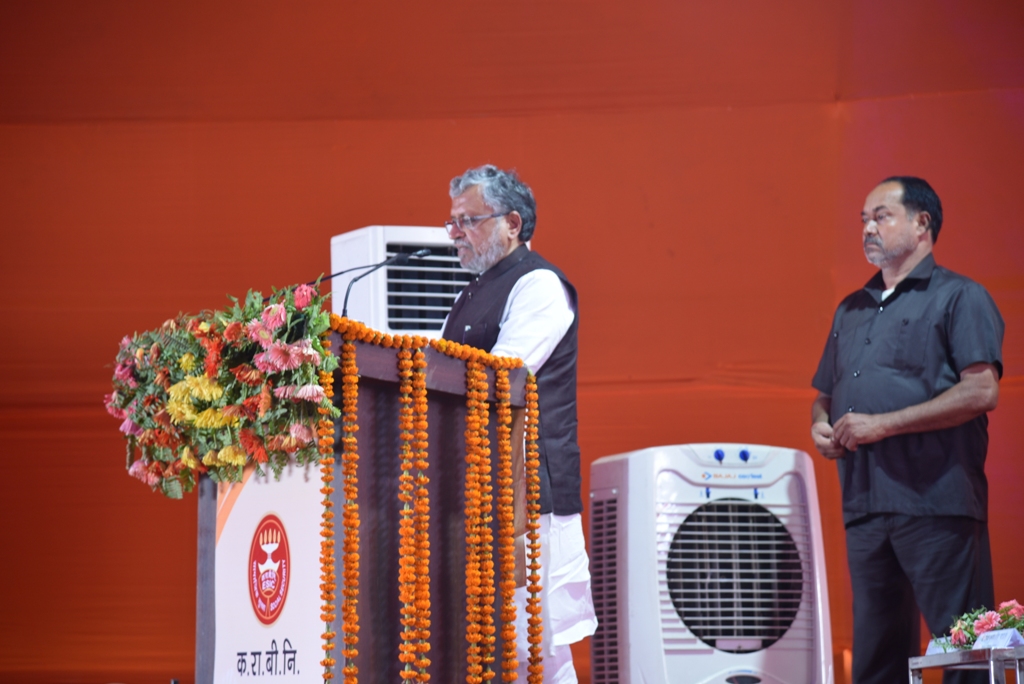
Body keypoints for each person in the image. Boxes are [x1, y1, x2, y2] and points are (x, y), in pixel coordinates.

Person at [810, 177, 1003, 684]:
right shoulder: (851, 308)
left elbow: (981, 391)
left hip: (936, 503)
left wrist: (883, 425)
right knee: (876, 658)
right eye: (863, 220)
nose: (868, 229)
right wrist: (821, 426)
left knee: (964, 655)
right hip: (866, 507)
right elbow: (824, 396)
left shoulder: (961, 296)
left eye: (881, 216)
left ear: (922, 224)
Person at [441, 164, 597, 683]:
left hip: (529, 495)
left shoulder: (539, 285)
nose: (455, 233)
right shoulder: (471, 291)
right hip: (478, 492)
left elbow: (500, 376)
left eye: (469, 221)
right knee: (493, 649)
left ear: (512, 223)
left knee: (535, 651)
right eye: (452, 222)